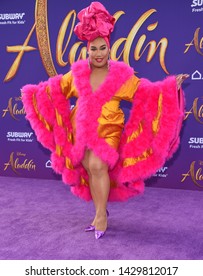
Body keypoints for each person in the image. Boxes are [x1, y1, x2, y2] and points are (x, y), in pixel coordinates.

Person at [21, 2, 189, 239]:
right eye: (94, 49)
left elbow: (145, 91)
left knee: (99, 165)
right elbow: (56, 88)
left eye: (102, 48)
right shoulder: (77, 73)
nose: (98, 53)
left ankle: (100, 217)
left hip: (109, 129)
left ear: (108, 49)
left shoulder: (120, 75)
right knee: (91, 168)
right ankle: (101, 212)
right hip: (82, 129)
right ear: (87, 51)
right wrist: (33, 94)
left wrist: (171, 87)